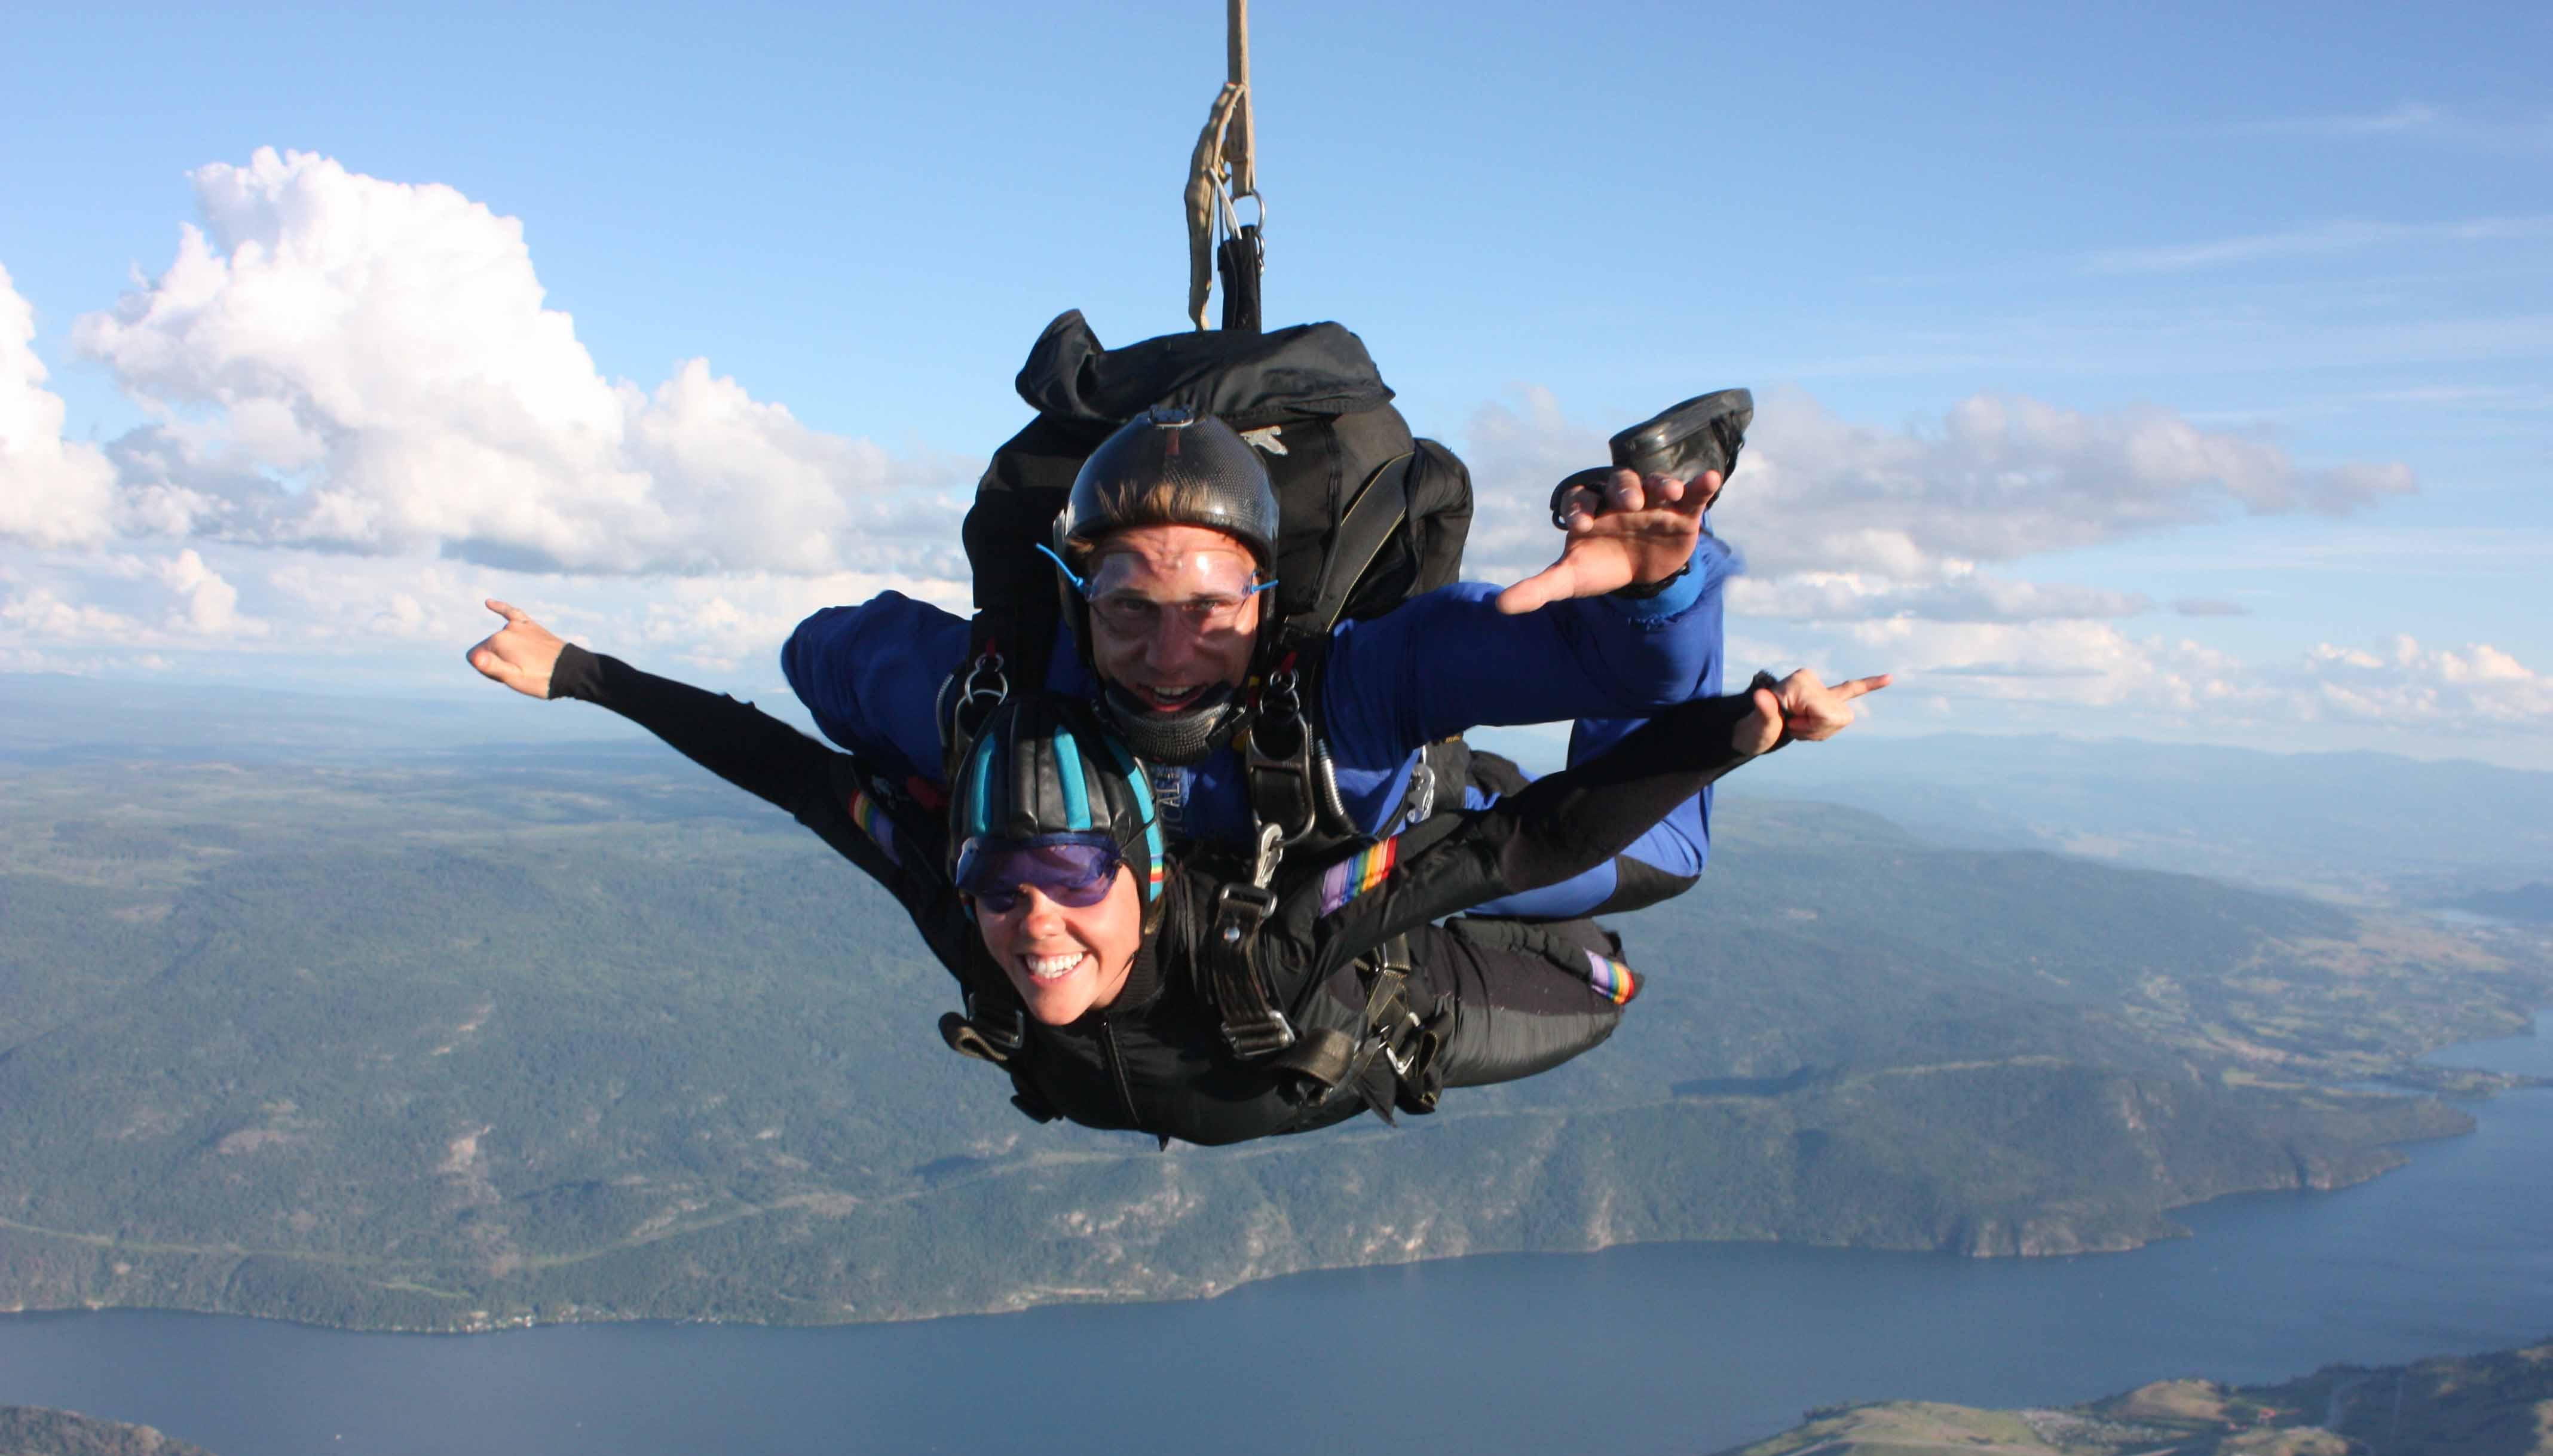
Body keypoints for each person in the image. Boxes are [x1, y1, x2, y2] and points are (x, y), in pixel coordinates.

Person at [467, 600, 1885, 1144]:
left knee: (1648, 884)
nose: (1032, 927)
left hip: (1399, 992)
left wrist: (1750, 721)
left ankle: (1671, 596)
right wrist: (583, 675)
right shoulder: (961, 907)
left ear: (1143, 873)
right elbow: (778, 765)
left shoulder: (1263, 935)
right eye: (1003, 887)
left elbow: (1527, 843)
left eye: (1070, 882)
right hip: (1297, 1037)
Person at [782, 407, 1732, 915]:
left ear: (1269, 600)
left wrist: (1655, 593)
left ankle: (1693, 465)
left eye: (1210, 608)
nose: (1168, 655)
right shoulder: (1001, 699)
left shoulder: (1355, 690)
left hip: (1406, 848)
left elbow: (1624, 675)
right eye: (1127, 609)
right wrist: (940, 771)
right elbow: (820, 655)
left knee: (1667, 855)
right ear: (1078, 606)